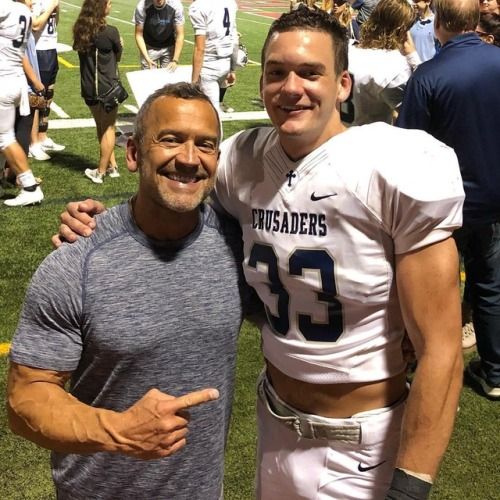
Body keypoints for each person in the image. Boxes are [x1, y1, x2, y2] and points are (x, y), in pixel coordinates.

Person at [55, 7, 465, 499]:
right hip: (275, 424)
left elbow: (442, 348)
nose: (291, 88)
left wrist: (411, 484)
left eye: (310, 72)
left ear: (343, 85)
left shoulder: (394, 165)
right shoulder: (240, 161)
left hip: (363, 442)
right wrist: (100, 222)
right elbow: (174, 201)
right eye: (276, 73)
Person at [7, 83, 257, 499]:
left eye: (205, 145)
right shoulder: (78, 260)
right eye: (171, 139)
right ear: (134, 153)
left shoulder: (239, 246)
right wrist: (119, 430)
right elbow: (25, 399)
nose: (189, 158)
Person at [397, 0, 500, 400]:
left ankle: (425, 368)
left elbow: (407, 149)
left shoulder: (428, 76)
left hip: (443, 206)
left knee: (430, 289)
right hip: (491, 200)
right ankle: (494, 372)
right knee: (489, 284)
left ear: (438, 22)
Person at [73, 0, 123, 184]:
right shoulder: (111, 32)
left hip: (88, 86)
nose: (110, 6)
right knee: (109, 128)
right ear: (101, 7)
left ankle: (112, 166)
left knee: (101, 126)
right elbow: (118, 56)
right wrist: (120, 45)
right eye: (108, 3)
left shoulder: (80, 30)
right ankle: (101, 172)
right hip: (108, 86)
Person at [347, 0, 420, 125]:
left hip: (338, 132)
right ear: (402, 31)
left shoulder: (346, 48)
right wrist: (413, 56)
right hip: (368, 134)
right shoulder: (394, 66)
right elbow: (416, 112)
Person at [1, 0, 44, 207]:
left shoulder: (5, 7)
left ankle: (30, 187)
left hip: (4, 80)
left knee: (4, 138)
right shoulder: (23, 11)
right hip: (16, 78)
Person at [189, 0, 239, 114]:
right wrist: (232, 69)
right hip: (226, 62)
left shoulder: (199, 6)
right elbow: (234, 39)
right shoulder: (230, 3)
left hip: (209, 66)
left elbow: (200, 48)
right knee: (210, 110)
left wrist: (194, 82)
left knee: (211, 113)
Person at [30, 0, 65, 161]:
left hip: (51, 48)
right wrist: (51, 7)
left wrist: (55, 9)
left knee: (48, 96)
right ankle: (33, 143)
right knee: (37, 99)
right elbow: (35, 25)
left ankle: (42, 136)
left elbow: (54, 23)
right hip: (39, 50)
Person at [133, 0, 184, 71]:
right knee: (149, 76)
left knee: (168, 76)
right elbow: (139, 35)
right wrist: (147, 58)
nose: (159, 1)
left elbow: (180, 34)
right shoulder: (142, 6)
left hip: (169, 47)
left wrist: (175, 60)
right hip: (149, 48)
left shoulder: (176, 5)